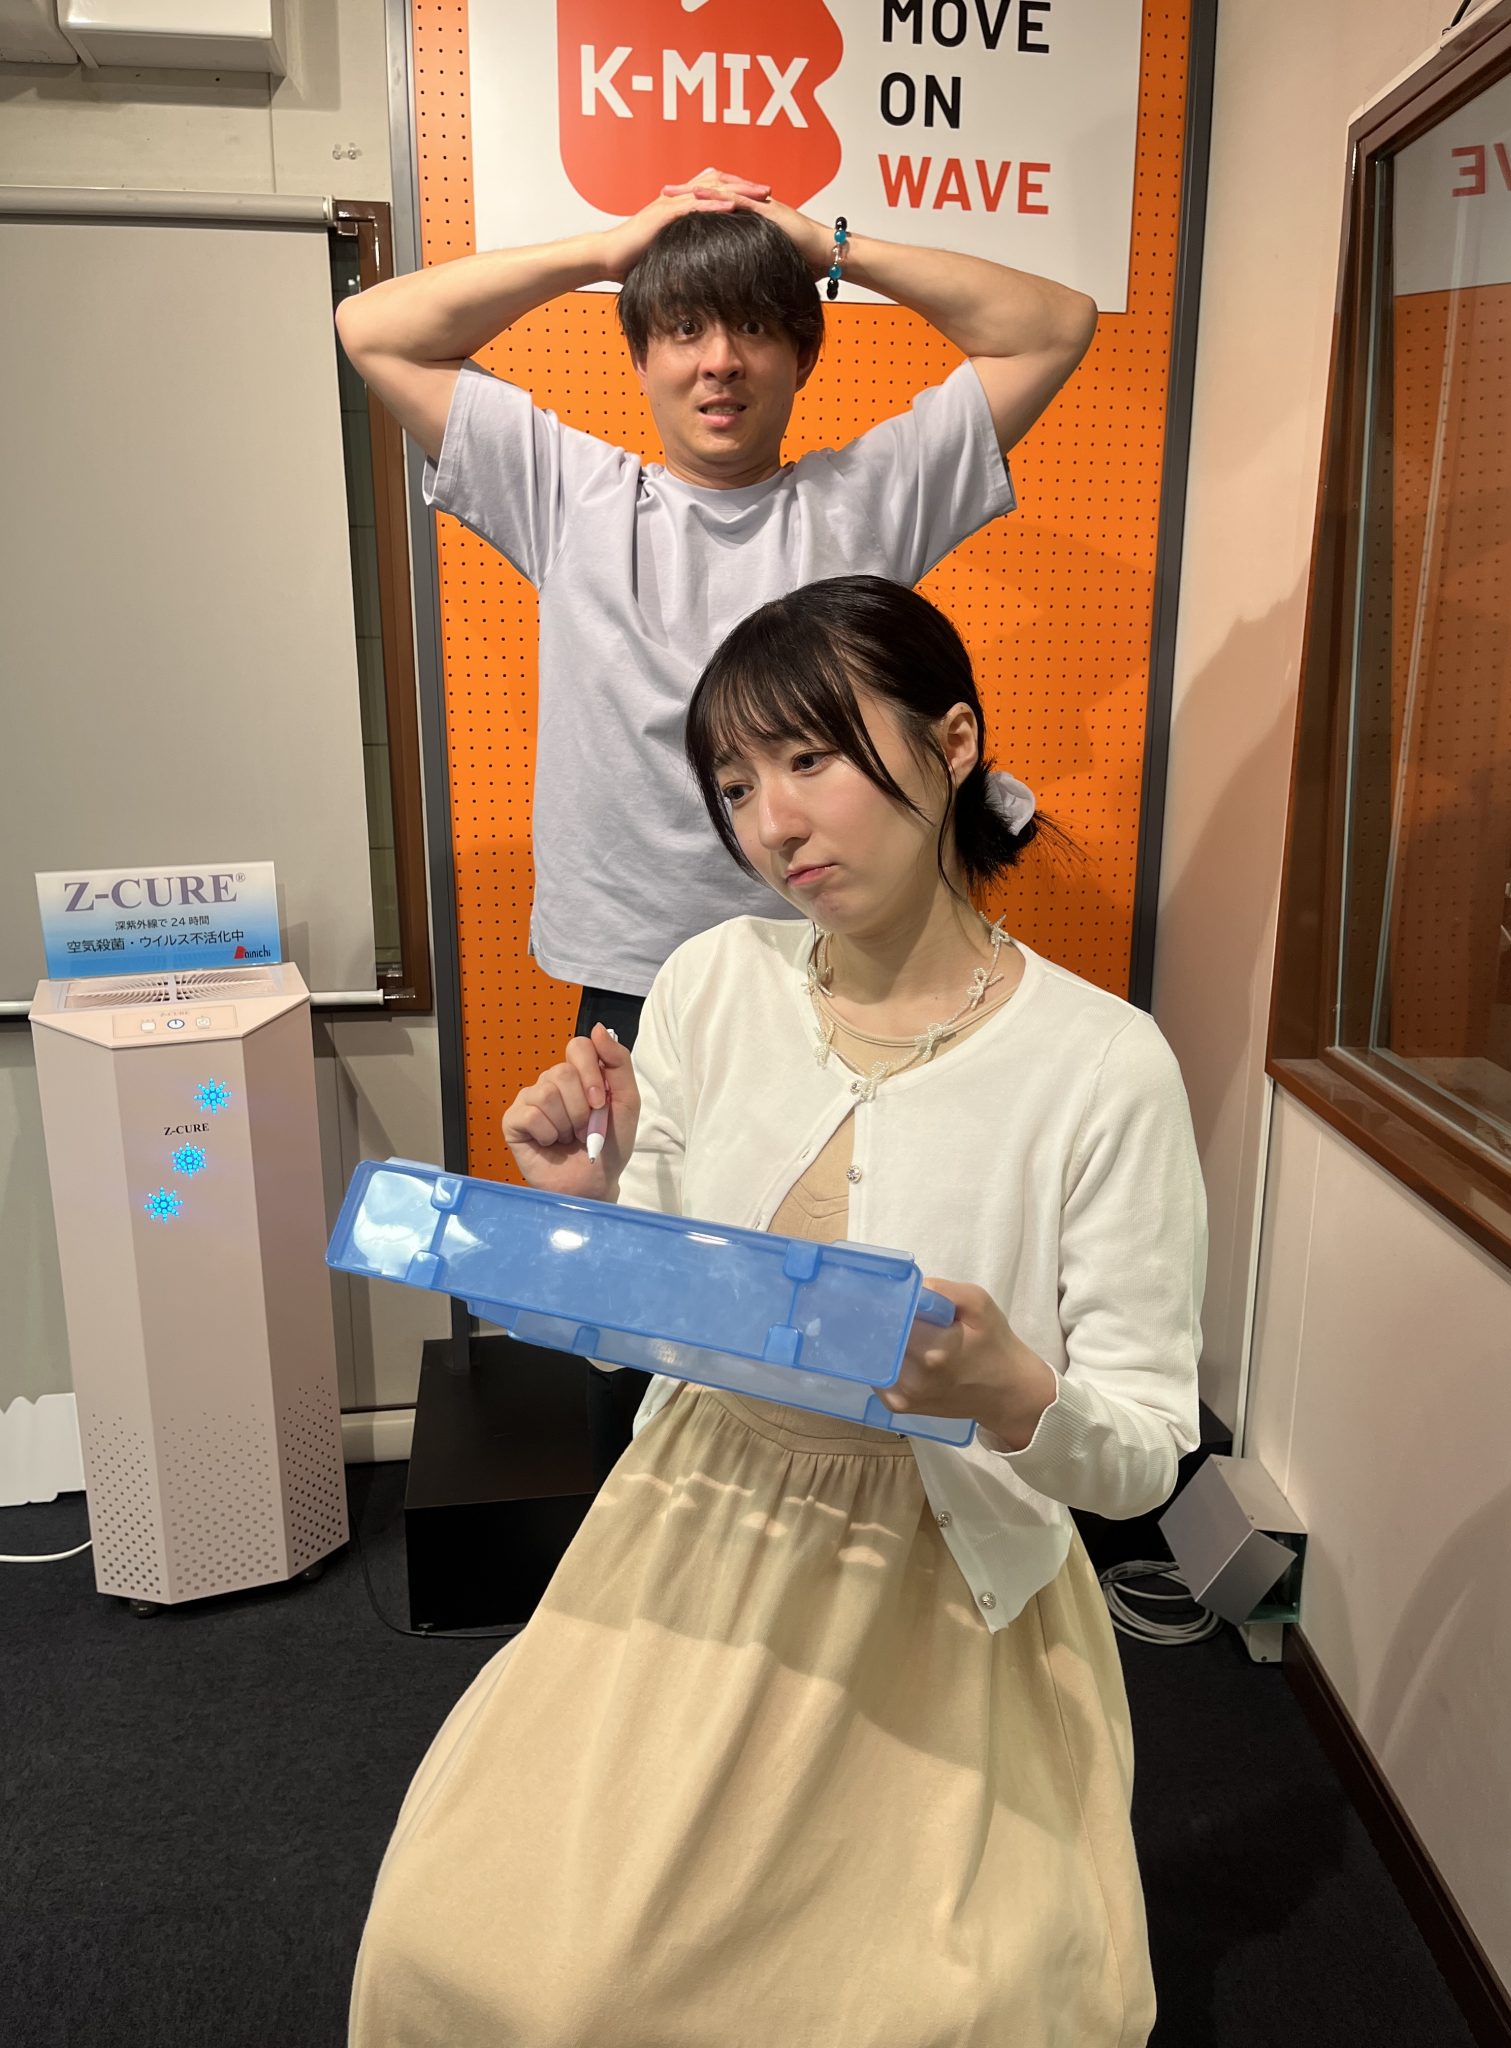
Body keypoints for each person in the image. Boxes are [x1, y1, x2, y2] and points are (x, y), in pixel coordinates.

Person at [348, 576, 1208, 2048]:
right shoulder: (711, 983)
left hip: (943, 1580)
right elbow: (651, 1314)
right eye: (738, 785)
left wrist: (1015, 1395)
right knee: (499, 1947)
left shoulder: (1104, 1065)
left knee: (935, 2004)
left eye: (812, 759)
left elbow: (1141, 1457)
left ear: (952, 745)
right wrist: (595, 1204)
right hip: (698, 1513)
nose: (772, 824)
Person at [337, 168, 1098, 1475]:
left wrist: (822, 243)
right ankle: (650, 1561)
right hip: (639, 992)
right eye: (682, 329)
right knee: (630, 1319)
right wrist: (616, 247)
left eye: (753, 326)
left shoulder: (866, 498)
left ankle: (848, 1549)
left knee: (845, 1296)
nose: (719, 361)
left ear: (803, 353)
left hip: (842, 981)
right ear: (639, 355)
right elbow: (376, 328)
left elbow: (1053, 324)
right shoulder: (569, 493)